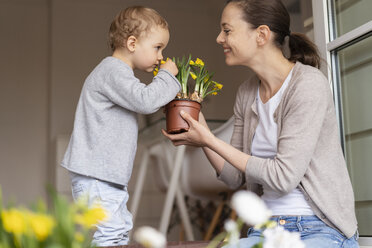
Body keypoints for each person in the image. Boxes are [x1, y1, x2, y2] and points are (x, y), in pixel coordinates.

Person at [162, 0, 359, 247]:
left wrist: (209, 140)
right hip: (265, 229)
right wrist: (199, 125)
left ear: (261, 34)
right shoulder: (246, 92)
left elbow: (283, 177)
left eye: (227, 30)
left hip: (318, 229)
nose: (219, 38)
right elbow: (234, 176)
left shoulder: (308, 85)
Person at [61, 6, 180, 247]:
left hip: (103, 177)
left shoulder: (117, 74)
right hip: (97, 176)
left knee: (118, 230)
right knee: (111, 233)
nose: (161, 57)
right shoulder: (112, 71)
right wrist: (167, 76)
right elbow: (145, 100)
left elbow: (140, 100)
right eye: (158, 47)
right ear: (132, 43)